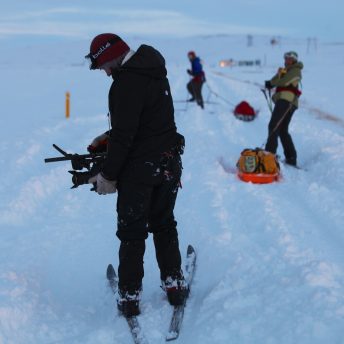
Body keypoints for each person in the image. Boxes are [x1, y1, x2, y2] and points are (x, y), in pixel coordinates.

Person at [85, 33, 188, 317]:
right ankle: (174, 285)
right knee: (164, 224)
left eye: (104, 65)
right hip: (168, 164)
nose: (105, 73)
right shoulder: (154, 71)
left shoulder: (125, 83)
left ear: (113, 56)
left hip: (139, 171)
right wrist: (110, 136)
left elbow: (126, 136)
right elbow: (150, 121)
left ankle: (130, 297)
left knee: (132, 233)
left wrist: (107, 174)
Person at [264, 51, 303, 166]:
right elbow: (276, 80)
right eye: (286, 58)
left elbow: (284, 82)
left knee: (273, 125)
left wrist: (272, 83)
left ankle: (269, 156)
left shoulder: (296, 71)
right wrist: (274, 79)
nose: (287, 60)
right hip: (285, 101)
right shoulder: (285, 71)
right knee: (282, 130)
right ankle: (291, 158)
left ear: (294, 60)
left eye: (290, 59)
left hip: (287, 101)